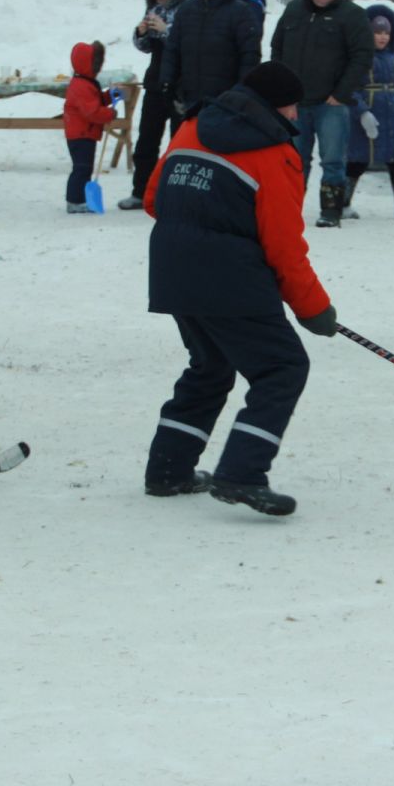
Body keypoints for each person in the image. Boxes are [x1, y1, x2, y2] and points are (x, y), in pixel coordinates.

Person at [141, 61, 334, 517]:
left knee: (210, 365)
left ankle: (168, 470)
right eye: (292, 107)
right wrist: (314, 309)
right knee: (282, 368)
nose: (295, 118)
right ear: (281, 106)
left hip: (171, 266)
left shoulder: (191, 126)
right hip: (230, 277)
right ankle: (242, 474)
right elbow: (284, 246)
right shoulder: (275, 153)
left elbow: (154, 199)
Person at [269, 0, 373, 227]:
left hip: (332, 104)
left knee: (333, 160)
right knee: (293, 161)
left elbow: (362, 58)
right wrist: (282, 94)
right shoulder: (293, 11)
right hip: (295, 104)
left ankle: (331, 211)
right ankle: (290, 209)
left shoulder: (352, 15)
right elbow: (277, 50)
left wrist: (341, 93)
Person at [344, 3, 394, 221]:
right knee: (357, 161)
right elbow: (350, 90)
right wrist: (362, 113)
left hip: (392, 117)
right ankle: (343, 203)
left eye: (386, 33)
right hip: (368, 118)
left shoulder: (393, 59)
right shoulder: (359, 59)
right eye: (377, 32)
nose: (382, 37)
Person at [119, 0, 186, 210]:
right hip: (155, 82)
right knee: (147, 138)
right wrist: (142, 33)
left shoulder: (187, 10)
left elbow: (188, 46)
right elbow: (145, 48)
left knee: (178, 142)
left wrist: (167, 30)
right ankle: (140, 190)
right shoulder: (153, 10)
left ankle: (174, 194)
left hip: (179, 85)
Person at [159, 0, 260, 118]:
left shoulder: (241, 11)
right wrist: (167, 82)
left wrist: (243, 91)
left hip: (225, 101)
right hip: (189, 99)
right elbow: (172, 50)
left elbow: (250, 55)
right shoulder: (186, 10)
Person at [62, 40, 112, 215]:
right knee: (81, 168)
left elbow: (95, 101)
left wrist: (108, 97)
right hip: (81, 135)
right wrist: (109, 114)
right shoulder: (81, 86)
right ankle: (74, 201)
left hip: (85, 133)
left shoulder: (85, 83)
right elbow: (92, 112)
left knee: (84, 167)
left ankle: (81, 198)